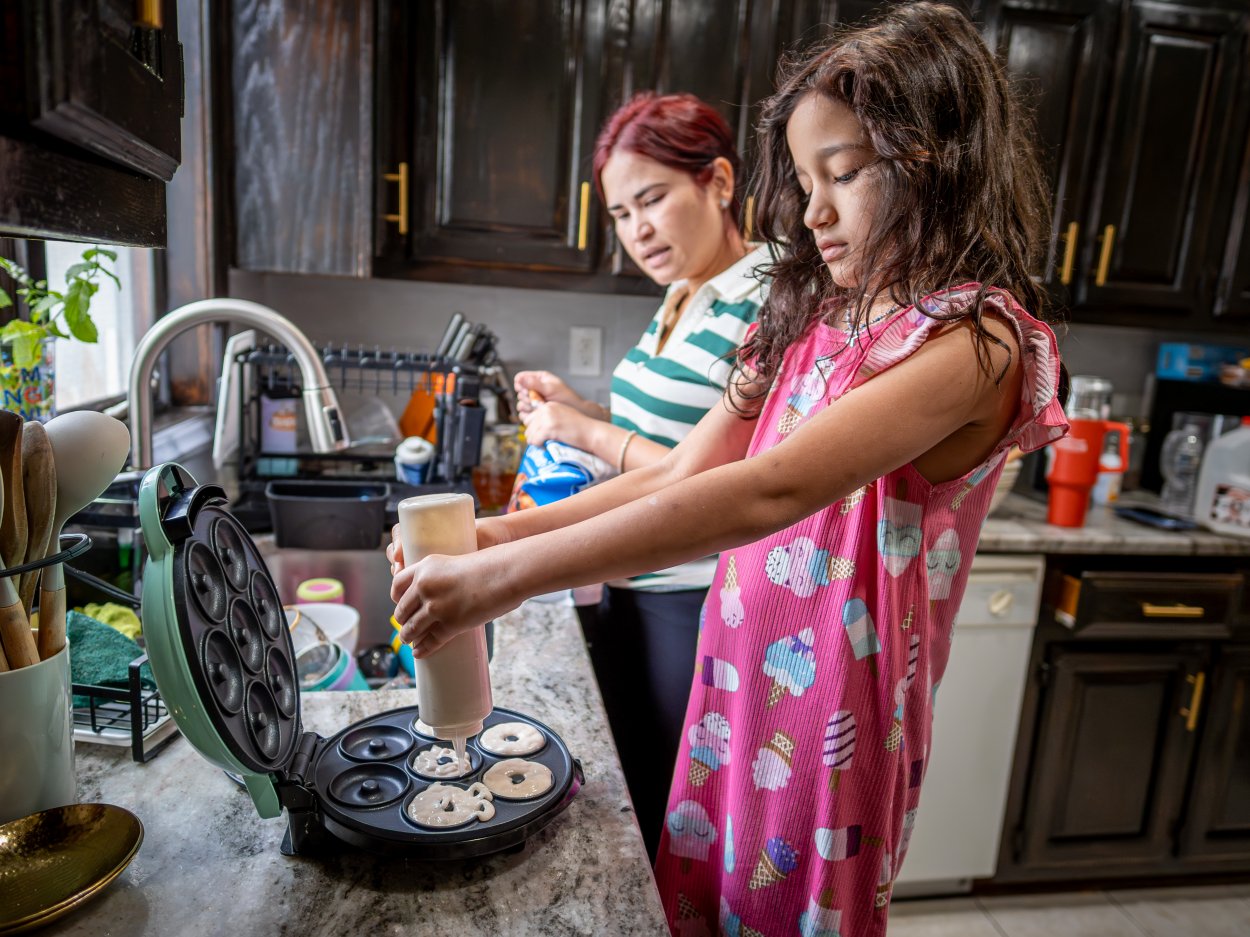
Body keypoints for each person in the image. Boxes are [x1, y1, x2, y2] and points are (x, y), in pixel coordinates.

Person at [388, 4, 1068, 933]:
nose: (816, 210)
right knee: (697, 908)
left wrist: (499, 579)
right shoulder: (807, 312)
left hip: (837, 717)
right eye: (804, 179)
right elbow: (682, 473)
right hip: (734, 669)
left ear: (939, 159)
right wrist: (492, 533)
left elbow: (769, 489)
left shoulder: (977, 341)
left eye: (845, 173)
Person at [511, 92, 770, 859]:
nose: (637, 231)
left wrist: (587, 430)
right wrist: (578, 405)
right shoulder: (684, 295)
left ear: (718, 180)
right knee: (629, 809)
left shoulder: (768, 295)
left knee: (668, 825)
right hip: (632, 580)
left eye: (651, 199)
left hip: (697, 605)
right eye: (622, 214)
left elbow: (731, 478)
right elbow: (663, 437)